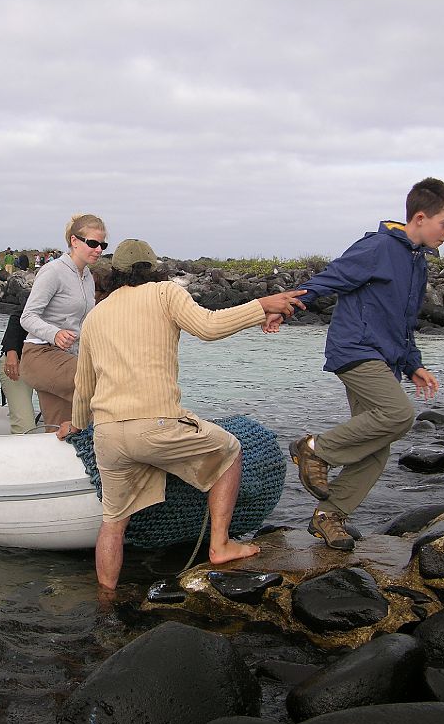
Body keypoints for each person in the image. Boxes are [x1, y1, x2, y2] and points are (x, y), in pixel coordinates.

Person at [56, 239, 307, 590]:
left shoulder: (95, 315)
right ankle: (220, 545)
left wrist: (78, 425)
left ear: (115, 274)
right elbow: (208, 326)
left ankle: (106, 598)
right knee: (230, 450)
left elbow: (84, 386)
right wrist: (261, 305)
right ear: (153, 269)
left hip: (109, 434)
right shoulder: (164, 293)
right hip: (155, 426)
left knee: (113, 522)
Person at [287, 177, 444, 551]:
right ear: (420, 217)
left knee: (376, 443)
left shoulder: (417, 263)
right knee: (398, 414)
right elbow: (330, 278)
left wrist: (413, 364)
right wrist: (285, 307)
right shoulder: (379, 247)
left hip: (383, 357)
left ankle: (329, 515)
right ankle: (314, 448)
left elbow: (403, 322)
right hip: (355, 350)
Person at [19, 214, 102, 430]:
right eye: (93, 243)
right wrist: (54, 333)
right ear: (74, 241)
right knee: (95, 380)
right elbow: (27, 317)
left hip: (67, 357)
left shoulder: (87, 278)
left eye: (102, 244)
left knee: (58, 427)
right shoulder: (53, 271)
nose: (99, 249)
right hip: (40, 355)